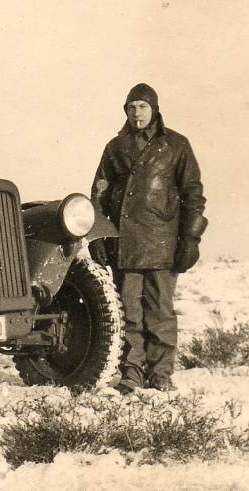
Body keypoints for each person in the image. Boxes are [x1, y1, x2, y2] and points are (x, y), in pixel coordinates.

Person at [90, 83, 207, 394]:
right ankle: (131, 374)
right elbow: (99, 194)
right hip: (125, 246)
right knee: (129, 313)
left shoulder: (176, 145)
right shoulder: (116, 147)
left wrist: (190, 240)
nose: (135, 112)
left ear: (154, 109)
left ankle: (161, 375)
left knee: (159, 313)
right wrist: (98, 237)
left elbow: (193, 195)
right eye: (130, 107)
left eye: (141, 106)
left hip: (163, 244)